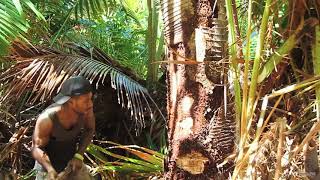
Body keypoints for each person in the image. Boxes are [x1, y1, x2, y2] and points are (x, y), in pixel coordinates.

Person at [31, 76, 95, 180]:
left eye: (90, 98)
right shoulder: (47, 119)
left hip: (71, 162)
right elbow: (36, 147)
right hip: (46, 166)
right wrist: (50, 170)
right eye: (86, 100)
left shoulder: (86, 110)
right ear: (71, 102)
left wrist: (79, 155)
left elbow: (89, 129)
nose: (90, 104)